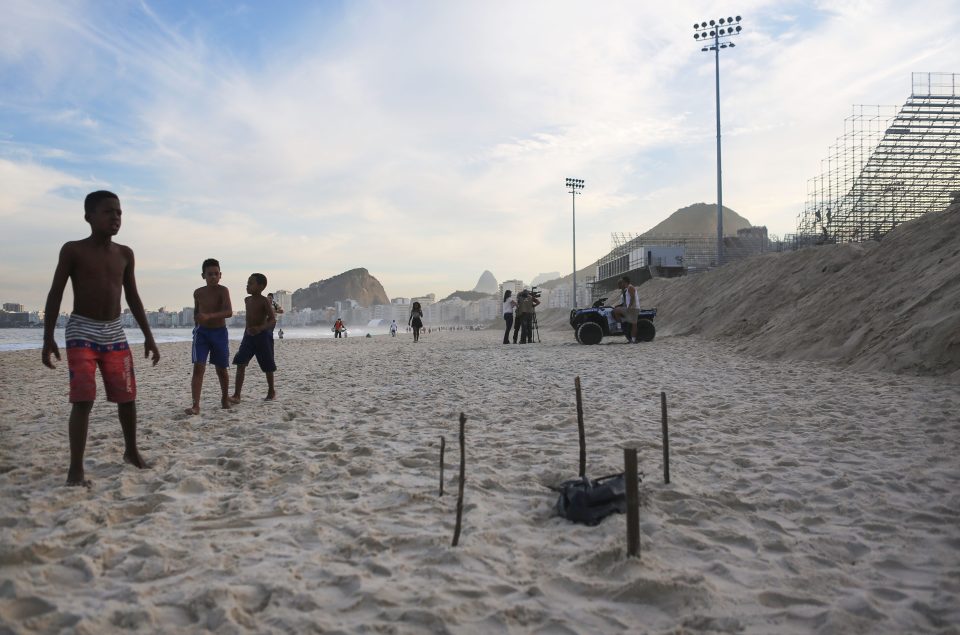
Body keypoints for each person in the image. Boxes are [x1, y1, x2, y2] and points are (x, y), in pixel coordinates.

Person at [41, 190, 160, 487]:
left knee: (127, 397)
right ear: (88, 217)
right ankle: (76, 469)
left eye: (119, 212)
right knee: (83, 399)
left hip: (114, 331)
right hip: (81, 330)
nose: (116, 218)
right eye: (108, 212)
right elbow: (56, 293)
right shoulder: (73, 250)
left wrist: (149, 336)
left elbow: (132, 296)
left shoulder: (124, 254)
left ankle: (131, 452)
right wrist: (47, 337)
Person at [185, 258, 233, 415]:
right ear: (203, 275)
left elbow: (228, 312)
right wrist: (197, 324)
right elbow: (197, 312)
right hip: (202, 333)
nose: (213, 276)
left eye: (216, 274)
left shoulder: (223, 290)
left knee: (221, 369)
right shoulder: (198, 292)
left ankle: (225, 398)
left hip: (219, 332)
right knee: (198, 367)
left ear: (220, 275)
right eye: (209, 274)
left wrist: (209, 316)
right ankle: (195, 405)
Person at [230, 273, 277, 402]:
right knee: (240, 362)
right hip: (248, 336)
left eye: (251, 283)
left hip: (262, 337)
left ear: (261, 286)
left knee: (268, 365)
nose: (247, 285)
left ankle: (271, 390)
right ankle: (237, 395)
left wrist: (260, 328)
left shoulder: (264, 301)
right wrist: (247, 332)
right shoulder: (247, 300)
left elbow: (273, 320)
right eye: (247, 283)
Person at [611, 275, 640, 343]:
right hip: (632, 308)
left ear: (625, 282)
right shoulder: (627, 288)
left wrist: (629, 307)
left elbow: (633, 298)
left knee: (634, 325)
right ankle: (632, 340)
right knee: (633, 324)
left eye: (622, 282)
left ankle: (619, 327)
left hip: (633, 308)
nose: (622, 283)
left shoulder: (630, 287)